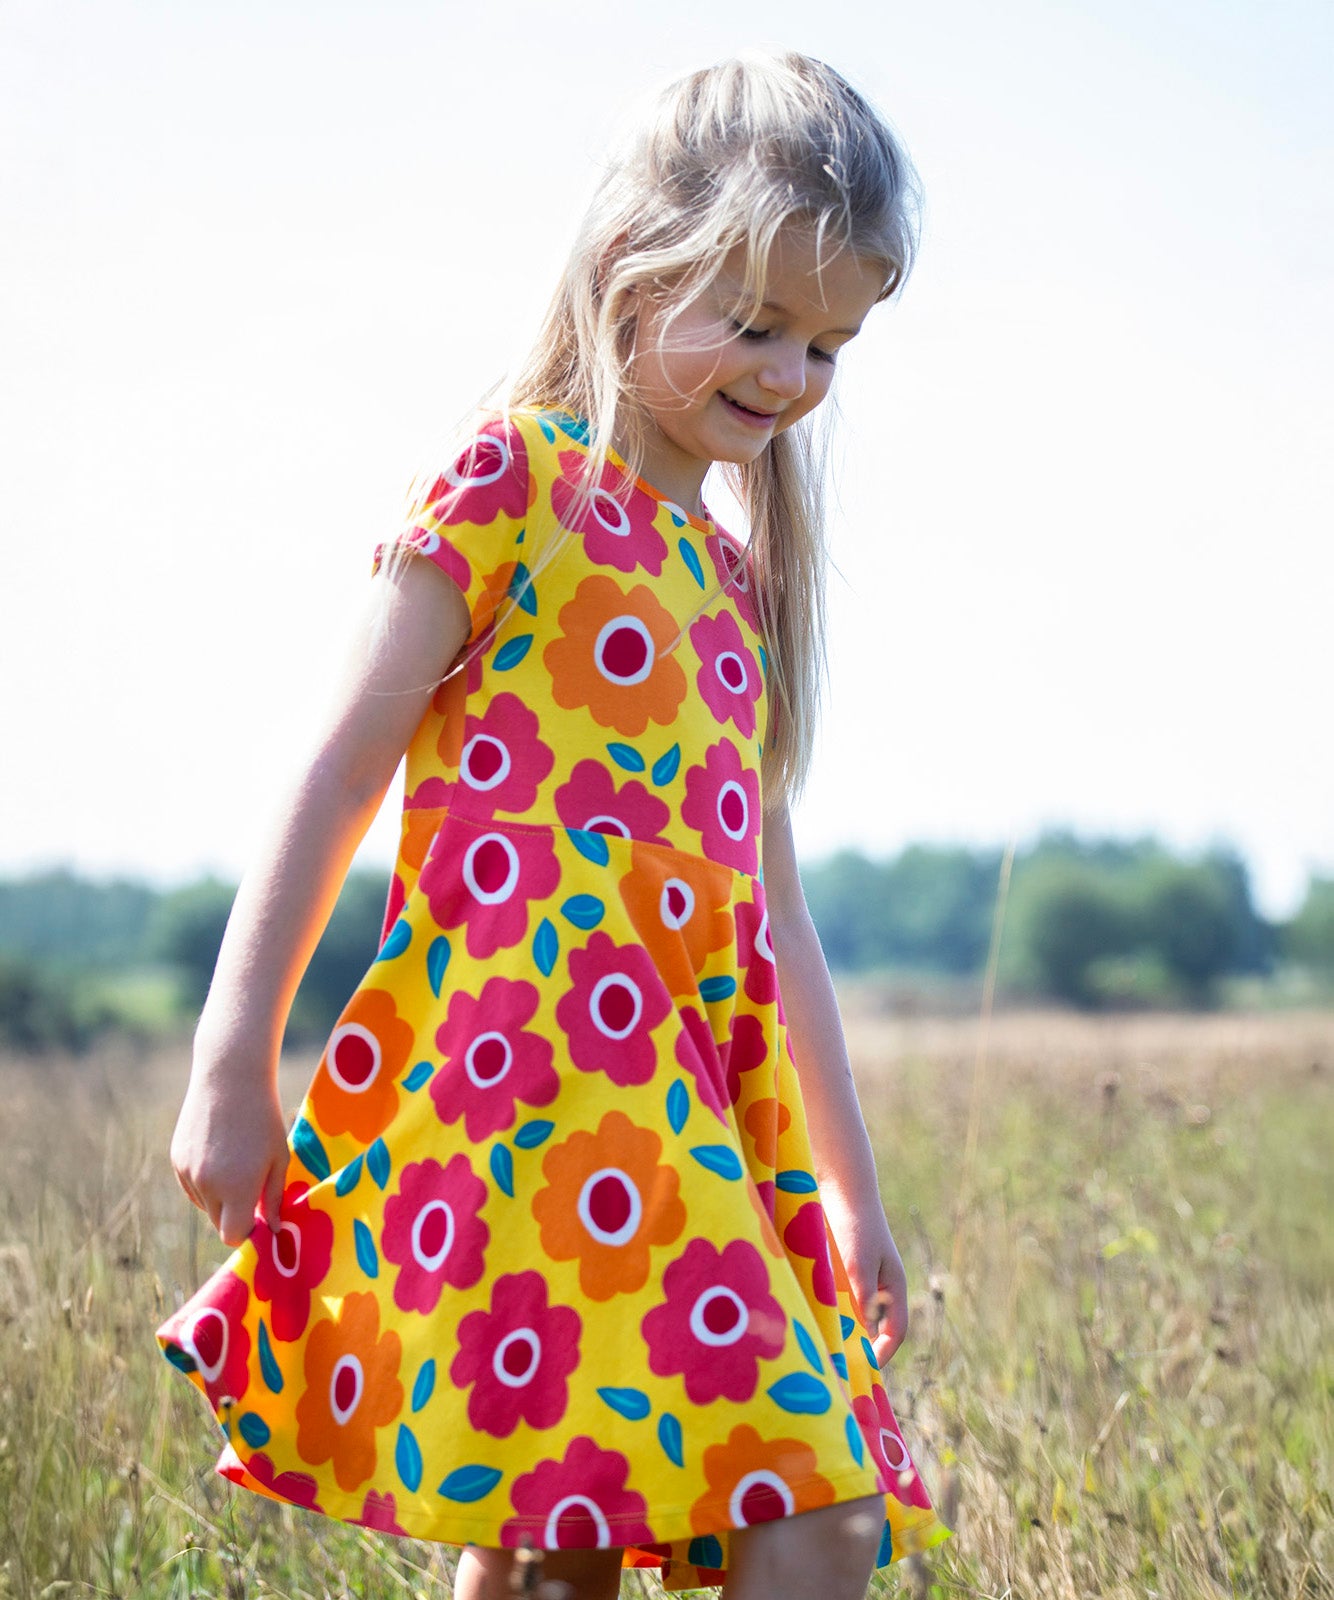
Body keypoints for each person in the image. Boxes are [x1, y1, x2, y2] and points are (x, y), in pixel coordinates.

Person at [159, 50, 949, 1600]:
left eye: (826, 344)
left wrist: (849, 1189)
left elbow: (775, 926)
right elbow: (340, 766)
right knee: (676, 1528)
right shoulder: (509, 484)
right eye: (755, 321)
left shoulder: (740, 592)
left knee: (612, 1532)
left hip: (692, 1122)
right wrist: (231, 1058)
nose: (788, 375)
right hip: (520, 1101)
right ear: (627, 270)